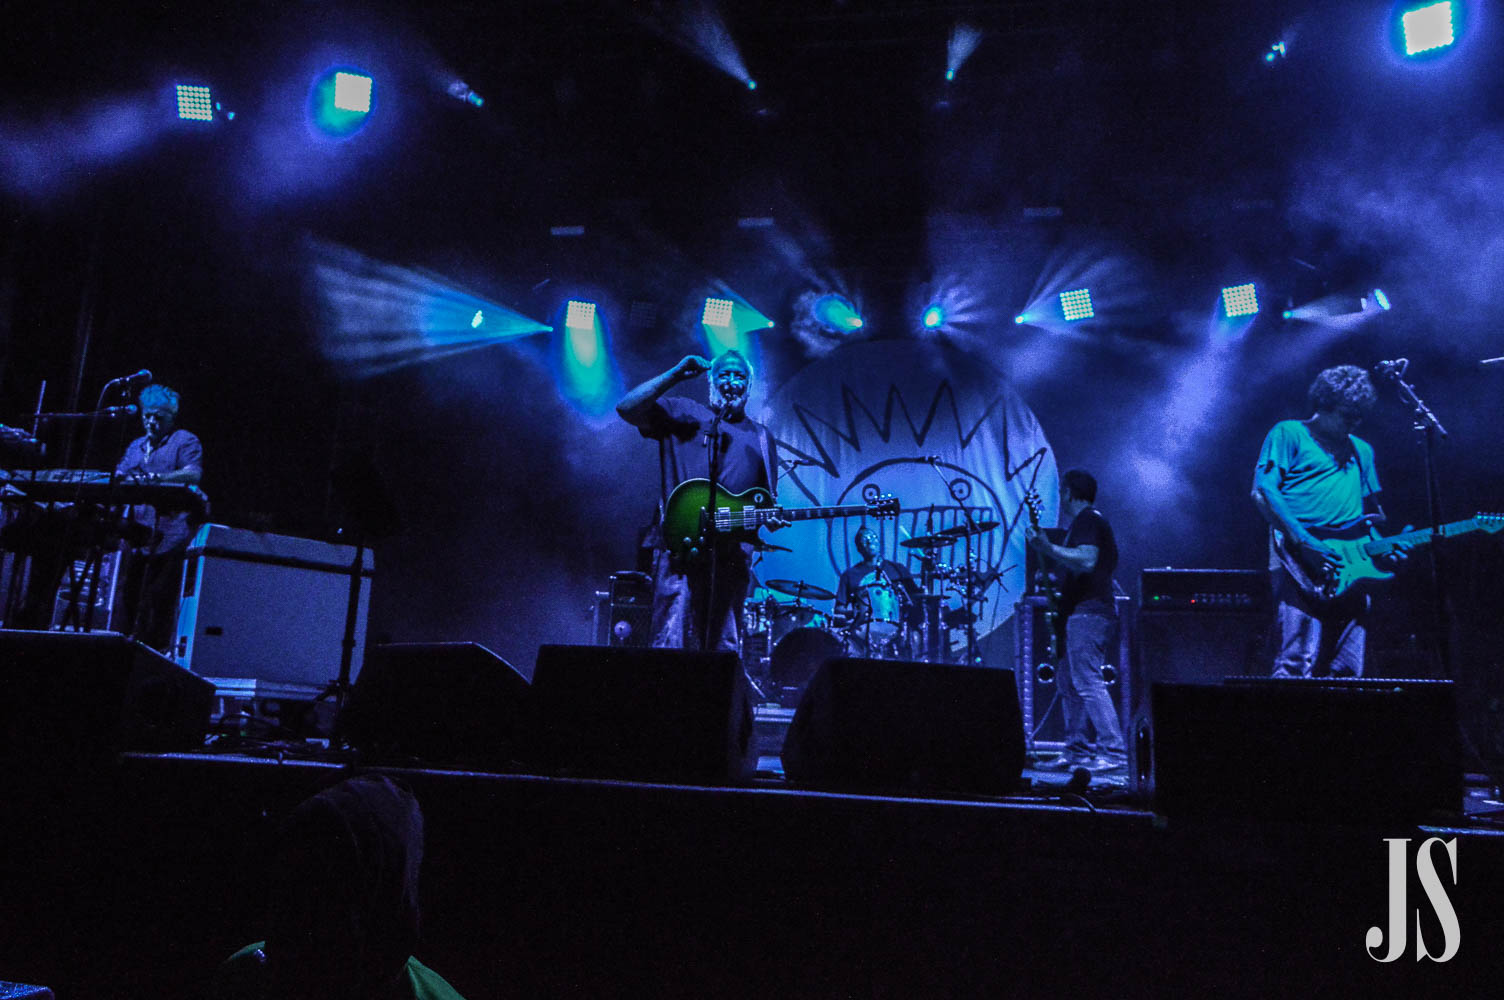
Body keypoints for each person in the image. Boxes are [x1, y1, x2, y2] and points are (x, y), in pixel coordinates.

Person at [210, 774, 466, 1000]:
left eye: (329, 891)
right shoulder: (245, 973)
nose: (301, 913)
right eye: (293, 884)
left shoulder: (247, 971)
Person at [616, 350, 782, 652]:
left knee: (723, 650)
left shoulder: (761, 437)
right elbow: (627, 408)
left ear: (749, 385)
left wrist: (768, 518)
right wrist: (675, 374)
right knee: (669, 643)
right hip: (680, 552)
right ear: (711, 382)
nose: (731, 381)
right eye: (724, 374)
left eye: (739, 376)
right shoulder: (683, 412)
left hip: (731, 558)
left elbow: (765, 502)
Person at [1251, 364, 1408, 678]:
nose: (1353, 423)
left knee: (1348, 667)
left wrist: (1384, 549)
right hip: (1296, 556)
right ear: (1324, 405)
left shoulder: (1361, 451)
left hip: (1351, 566)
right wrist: (1305, 542)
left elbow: (1368, 519)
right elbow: (1263, 490)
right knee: (1295, 661)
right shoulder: (1289, 433)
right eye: (1347, 415)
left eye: (1359, 417)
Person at [1025, 469, 1127, 775]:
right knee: (1069, 683)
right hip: (1078, 613)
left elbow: (1087, 560)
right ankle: (1076, 750)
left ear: (1069, 492)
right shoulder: (1083, 524)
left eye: (1062, 491)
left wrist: (1047, 548)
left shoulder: (1089, 520)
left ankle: (1114, 751)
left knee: (1086, 680)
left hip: (1090, 612)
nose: (1061, 497)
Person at [114, 383, 203, 651]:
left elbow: (193, 473)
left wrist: (158, 478)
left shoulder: (184, 440)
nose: (151, 422)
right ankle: (128, 648)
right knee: (130, 595)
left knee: (158, 597)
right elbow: (120, 475)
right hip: (138, 534)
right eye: (147, 416)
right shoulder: (136, 446)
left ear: (171, 418)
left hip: (170, 534)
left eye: (158, 417)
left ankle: (155, 654)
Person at [834, 525, 922, 659]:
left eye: (873, 537)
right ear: (858, 548)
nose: (869, 540)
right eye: (864, 539)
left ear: (878, 542)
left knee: (915, 637)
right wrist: (857, 613)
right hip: (862, 629)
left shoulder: (898, 569)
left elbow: (916, 597)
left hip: (898, 627)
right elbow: (839, 608)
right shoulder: (850, 574)